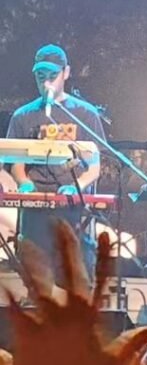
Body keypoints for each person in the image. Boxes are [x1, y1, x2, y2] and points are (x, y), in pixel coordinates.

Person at [5, 43, 106, 276]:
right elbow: (16, 163)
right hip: (35, 205)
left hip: (73, 206)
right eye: (41, 77)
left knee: (75, 276)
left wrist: (75, 186)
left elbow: (94, 166)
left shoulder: (84, 113)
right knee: (37, 278)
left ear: (66, 73)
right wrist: (24, 184)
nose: (46, 83)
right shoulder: (23, 116)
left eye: (53, 76)